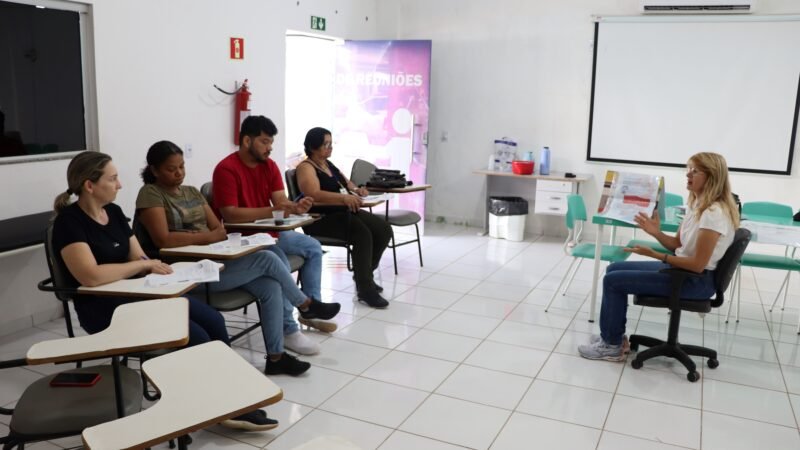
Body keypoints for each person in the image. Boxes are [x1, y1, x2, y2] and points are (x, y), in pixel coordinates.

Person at [52, 151, 277, 431]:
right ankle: (217, 405)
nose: (120, 184)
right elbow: (90, 276)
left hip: (140, 294)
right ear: (89, 185)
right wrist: (136, 267)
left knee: (214, 320)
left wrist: (149, 266)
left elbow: (139, 258)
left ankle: (232, 397)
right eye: (113, 179)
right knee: (194, 336)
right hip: (105, 308)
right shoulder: (69, 222)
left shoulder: (112, 212)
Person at [135, 140, 341, 364]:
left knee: (270, 285)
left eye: (182, 166)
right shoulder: (150, 194)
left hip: (213, 262)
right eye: (171, 168)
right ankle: (305, 304)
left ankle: (276, 357)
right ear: (154, 170)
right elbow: (164, 239)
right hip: (186, 272)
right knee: (266, 258)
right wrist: (206, 237)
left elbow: (219, 230)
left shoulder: (192, 192)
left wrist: (208, 237)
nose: (179, 173)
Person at [578, 152, 739, 361]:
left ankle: (611, 346)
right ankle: (614, 336)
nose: (688, 175)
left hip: (695, 281)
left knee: (612, 281)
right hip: (684, 273)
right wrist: (654, 232)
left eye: (695, 171)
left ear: (712, 176)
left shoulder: (713, 214)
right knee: (613, 268)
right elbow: (677, 244)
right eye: (688, 169)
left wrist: (657, 255)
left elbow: (698, 265)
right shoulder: (698, 205)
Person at [211, 116, 327, 315]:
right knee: (278, 259)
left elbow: (280, 201)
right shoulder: (226, 169)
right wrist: (275, 211)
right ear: (247, 141)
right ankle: (289, 322)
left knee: (314, 247)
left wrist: (294, 207)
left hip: (269, 232)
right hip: (243, 238)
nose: (269, 147)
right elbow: (231, 216)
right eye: (264, 142)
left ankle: (313, 307)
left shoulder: (270, 165)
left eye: (271, 142)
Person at [296, 127, 393, 308]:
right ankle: (365, 289)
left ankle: (364, 275)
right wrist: (344, 197)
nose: (330, 148)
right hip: (321, 218)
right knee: (362, 234)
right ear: (313, 146)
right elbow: (313, 193)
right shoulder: (306, 167)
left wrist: (357, 190)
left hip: (343, 211)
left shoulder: (328, 165)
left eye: (331, 144)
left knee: (383, 229)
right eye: (326, 144)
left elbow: (347, 184)